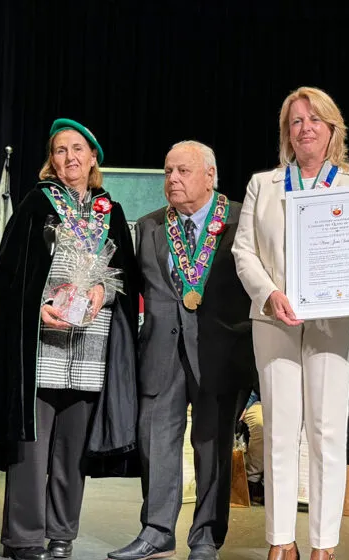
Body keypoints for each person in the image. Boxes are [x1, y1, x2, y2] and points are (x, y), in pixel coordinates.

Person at [0, 119, 141, 560]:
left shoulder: (110, 211)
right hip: (41, 345)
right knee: (31, 451)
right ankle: (23, 538)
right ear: (51, 160)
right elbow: (9, 279)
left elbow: (127, 278)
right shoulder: (36, 204)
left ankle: (62, 534)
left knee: (72, 452)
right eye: (60, 150)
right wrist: (37, 308)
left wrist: (102, 289)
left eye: (78, 149)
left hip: (90, 346)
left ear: (93, 157)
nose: (70, 158)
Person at [232, 86, 349, 560]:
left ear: (332, 129)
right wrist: (270, 293)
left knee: (326, 431)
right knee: (279, 429)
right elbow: (244, 251)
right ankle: (281, 540)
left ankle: (323, 544)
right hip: (275, 318)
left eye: (314, 120)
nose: (304, 128)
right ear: (287, 133)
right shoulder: (263, 183)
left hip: (335, 321)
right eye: (295, 121)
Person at [108, 141, 254, 560]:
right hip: (159, 353)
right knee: (155, 443)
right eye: (168, 171)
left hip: (219, 353)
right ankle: (155, 532)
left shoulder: (242, 219)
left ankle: (206, 538)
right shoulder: (150, 226)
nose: (172, 179)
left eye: (183, 171)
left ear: (210, 175)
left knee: (212, 447)